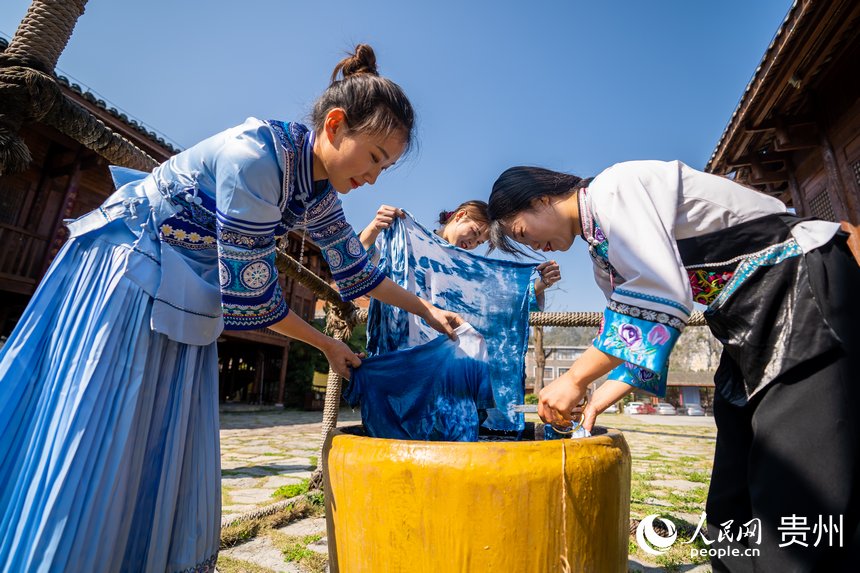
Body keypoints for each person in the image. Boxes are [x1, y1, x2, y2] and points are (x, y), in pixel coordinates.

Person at [0, 44, 462, 572]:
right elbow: (250, 301)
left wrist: (426, 310)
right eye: (375, 158)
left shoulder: (316, 192)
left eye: (387, 167)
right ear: (336, 125)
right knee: (100, 425)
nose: (375, 177)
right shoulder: (257, 159)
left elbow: (356, 271)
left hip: (178, 288)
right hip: (131, 271)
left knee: (149, 438)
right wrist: (328, 344)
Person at [486, 160, 859, 570]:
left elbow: (660, 299)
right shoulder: (602, 258)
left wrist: (575, 377)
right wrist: (594, 401)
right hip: (743, 320)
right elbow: (637, 334)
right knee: (733, 482)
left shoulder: (615, 188)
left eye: (524, 233)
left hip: (796, 286)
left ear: (541, 199)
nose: (534, 248)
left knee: (797, 470)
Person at [360, 201, 561, 296]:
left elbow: (497, 297)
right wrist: (373, 228)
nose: (472, 243)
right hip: (396, 334)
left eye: (479, 243)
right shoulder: (407, 239)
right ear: (460, 215)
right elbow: (361, 268)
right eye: (474, 232)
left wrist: (540, 284)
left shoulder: (464, 270)